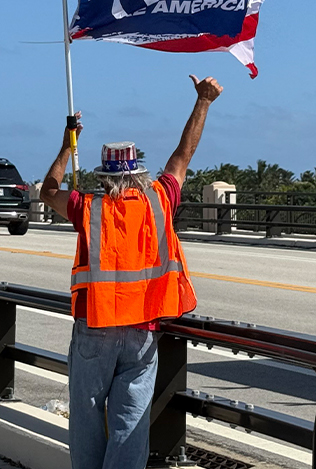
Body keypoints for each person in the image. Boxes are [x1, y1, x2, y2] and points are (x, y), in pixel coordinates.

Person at [40, 74, 224, 469]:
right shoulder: (160, 200)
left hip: (95, 327)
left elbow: (47, 190)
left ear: (104, 177)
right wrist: (204, 101)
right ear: (139, 172)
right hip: (143, 329)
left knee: (87, 419)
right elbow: (183, 155)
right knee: (130, 424)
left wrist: (67, 142)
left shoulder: (87, 207)